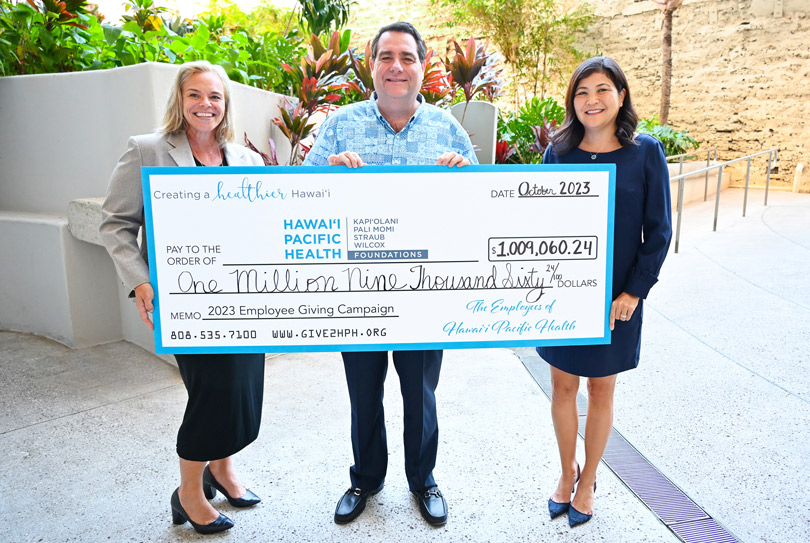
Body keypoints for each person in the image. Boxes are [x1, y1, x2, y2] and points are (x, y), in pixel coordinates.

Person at [303, 22, 477, 526]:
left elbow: (478, 211)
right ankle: (366, 478)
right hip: (359, 290)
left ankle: (423, 480)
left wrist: (462, 179)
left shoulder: (448, 129)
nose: (396, 66)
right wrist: (328, 177)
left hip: (425, 294)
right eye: (386, 57)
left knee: (420, 394)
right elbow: (303, 195)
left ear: (423, 67)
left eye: (407, 57)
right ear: (372, 66)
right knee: (363, 391)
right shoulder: (339, 125)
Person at [99, 61, 266, 535]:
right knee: (213, 394)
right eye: (195, 95)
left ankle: (224, 468)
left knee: (243, 390)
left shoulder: (246, 158)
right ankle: (188, 493)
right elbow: (114, 222)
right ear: (180, 100)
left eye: (214, 96)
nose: (205, 105)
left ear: (225, 103)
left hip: (244, 299)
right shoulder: (147, 150)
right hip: (184, 300)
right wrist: (141, 280)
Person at [538, 56, 672, 528]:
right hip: (562, 293)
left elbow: (658, 231)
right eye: (581, 92)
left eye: (601, 90)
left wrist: (634, 293)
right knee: (560, 385)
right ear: (572, 101)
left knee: (600, 389)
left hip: (617, 297)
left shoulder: (645, 152)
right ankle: (565, 471)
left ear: (621, 95)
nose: (591, 101)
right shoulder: (558, 152)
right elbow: (533, 217)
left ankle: (589, 479)